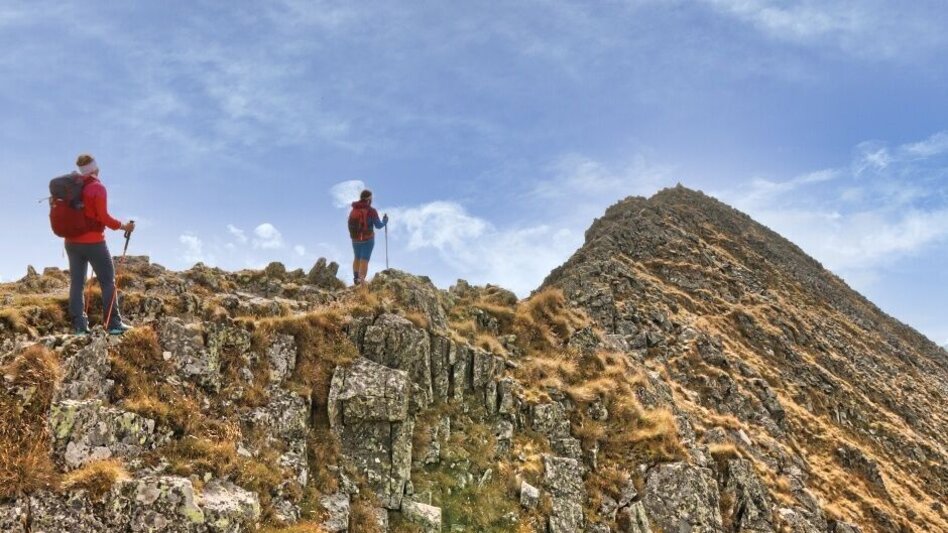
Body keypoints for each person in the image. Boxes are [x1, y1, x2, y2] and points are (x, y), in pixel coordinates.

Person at [65, 154, 135, 335]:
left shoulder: (72, 188)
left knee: (77, 283)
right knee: (107, 281)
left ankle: (80, 327)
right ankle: (113, 323)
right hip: (94, 242)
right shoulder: (98, 188)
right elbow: (104, 217)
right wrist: (124, 226)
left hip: (71, 242)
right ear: (95, 168)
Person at [348, 189, 388, 285]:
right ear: (369, 198)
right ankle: (361, 281)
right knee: (364, 260)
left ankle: (356, 278)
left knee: (357, 258)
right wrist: (385, 221)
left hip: (355, 239)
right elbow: (378, 225)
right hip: (367, 240)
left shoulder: (354, 209)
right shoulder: (371, 211)